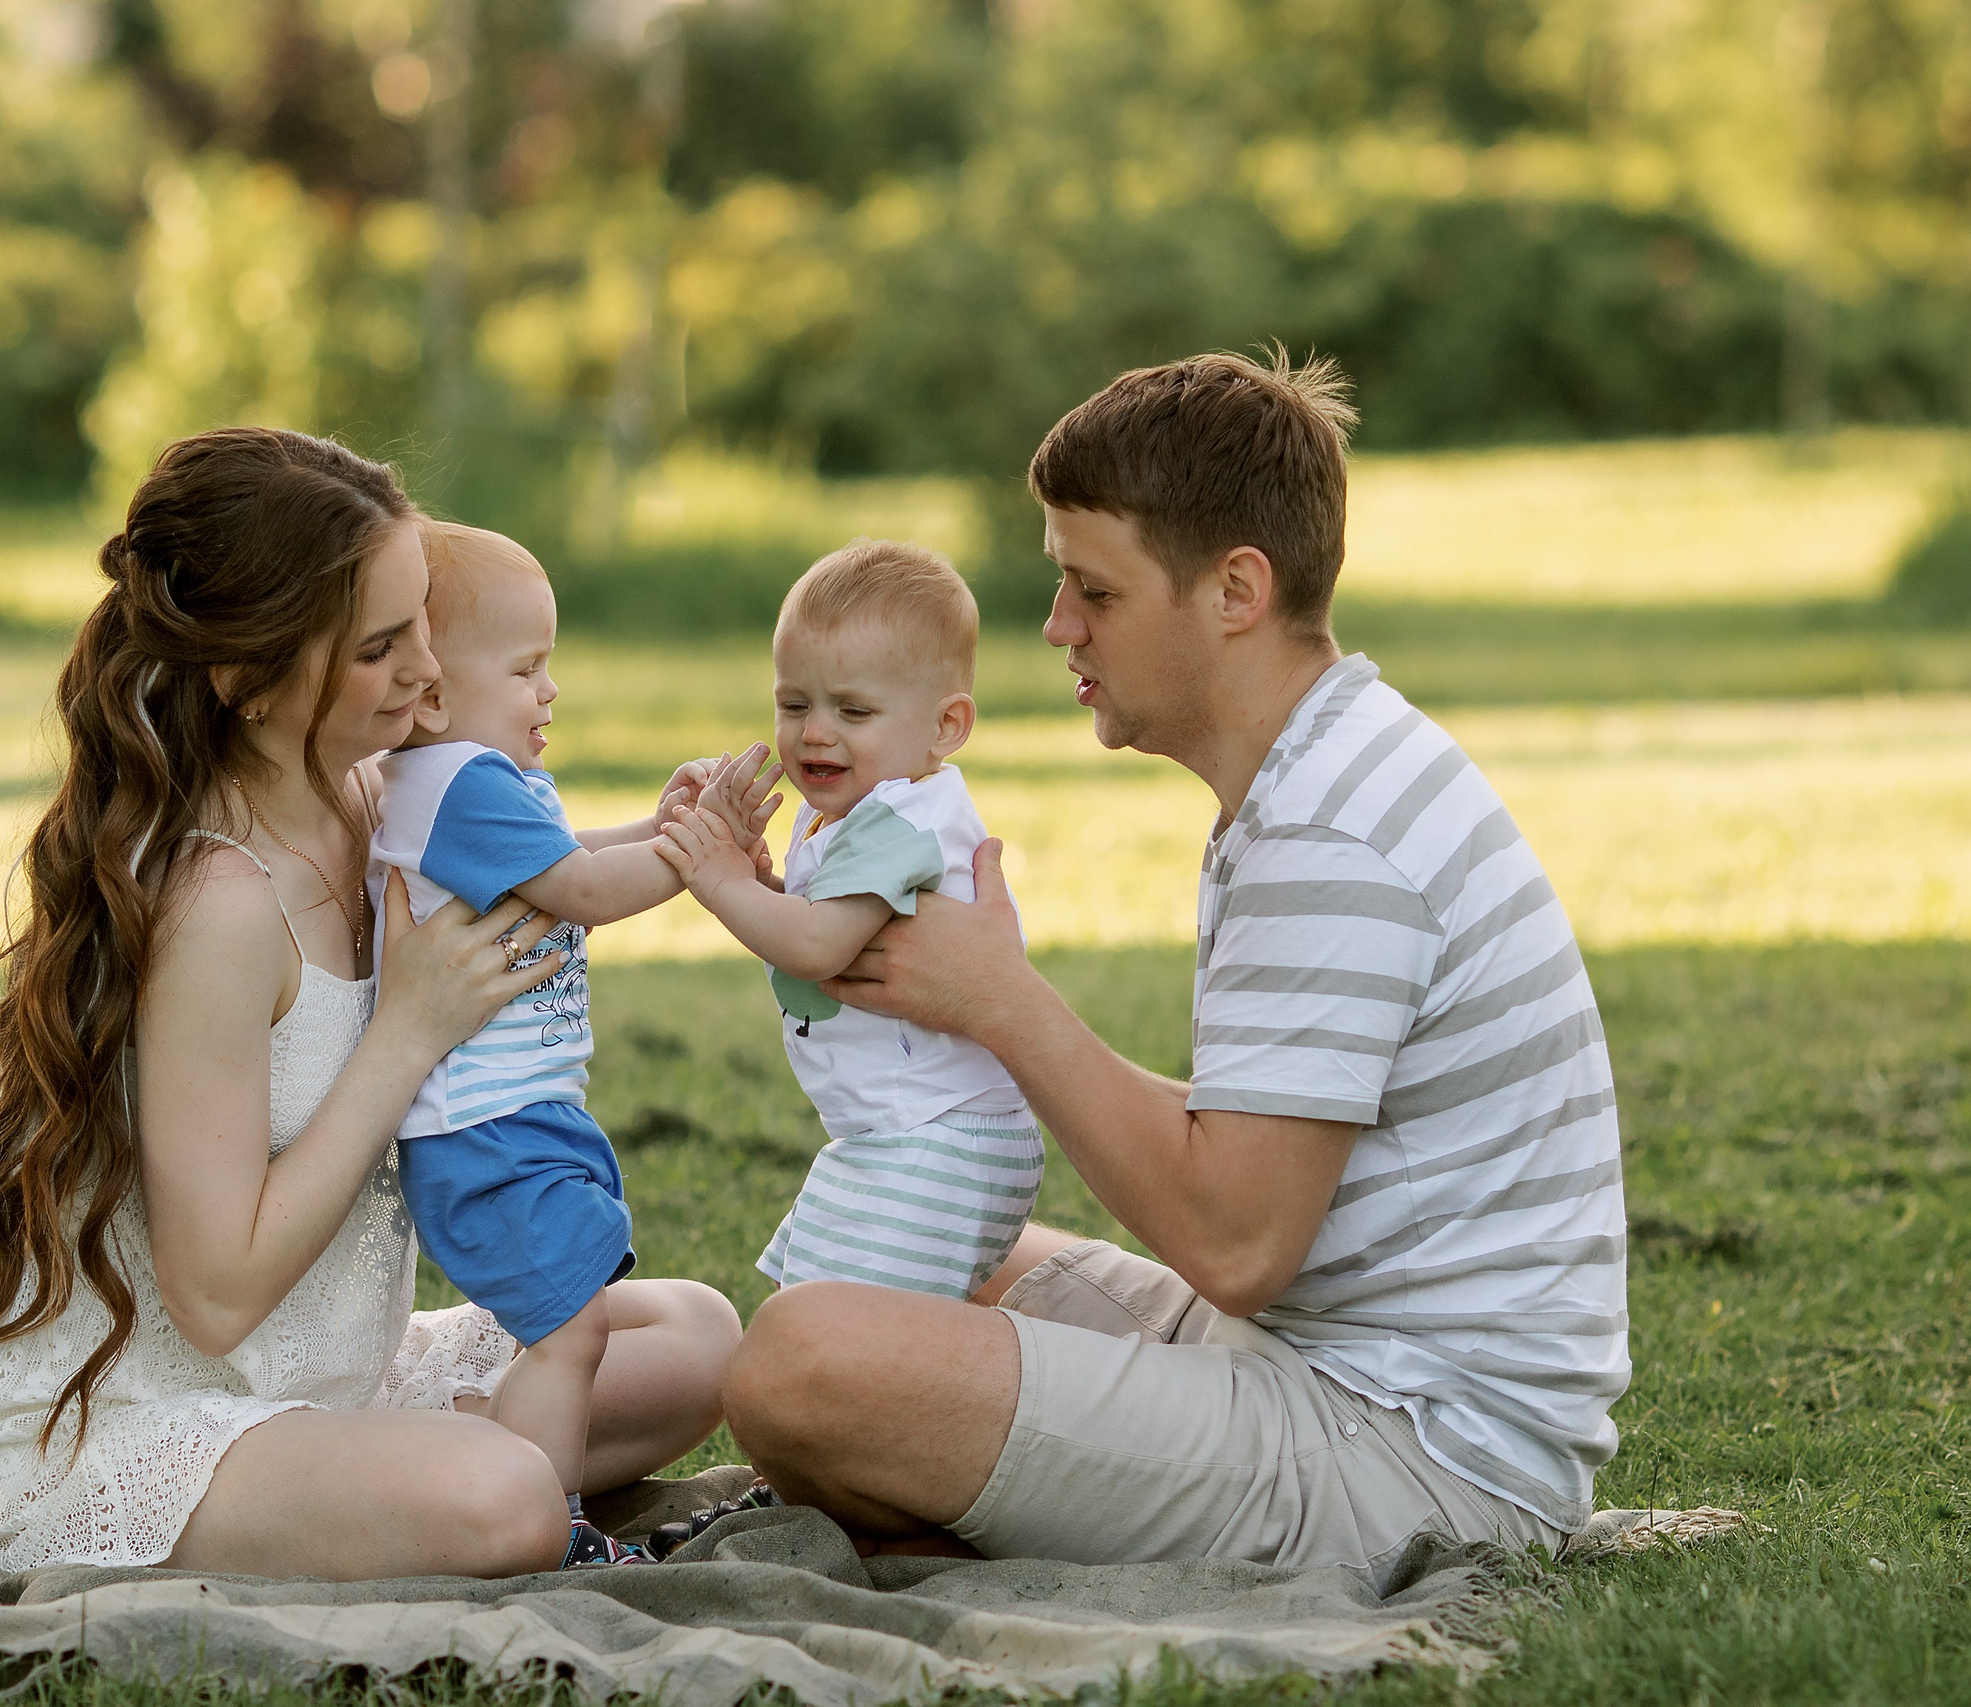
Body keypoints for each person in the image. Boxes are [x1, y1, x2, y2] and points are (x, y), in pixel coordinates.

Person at [721, 352, 1631, 1576]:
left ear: (1234, 590)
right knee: (962, 1256)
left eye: (1092, 590)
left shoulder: (1328, 833)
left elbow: (1240, 1249)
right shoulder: (1317, 770)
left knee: (803, 1360)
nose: (1056, 629)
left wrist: (1002, 1003)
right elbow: (1258, 1158)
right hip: (1324, 1366)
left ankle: (982, 1526)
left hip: (1414, 1451)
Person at [0, 428, 740, 1580]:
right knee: (509, 1496)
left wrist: (684, 839)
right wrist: (407, 1031)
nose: (430, 671)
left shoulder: (370, 794)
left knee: (697, 1340)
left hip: (323, 1371)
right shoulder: (217, 904)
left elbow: (551, 873)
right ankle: (424, 1492)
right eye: (381, 648)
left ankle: (385, 1485)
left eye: (425, 619)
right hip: (141, 1407)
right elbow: (215, 1300)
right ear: (247, 679)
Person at [369, 521, 777, 1566]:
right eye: (525, 668)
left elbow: (564, 857)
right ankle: (552, 1530)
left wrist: (661, 829)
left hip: (519, 1122)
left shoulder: (476, 779)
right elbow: (582, 893)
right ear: (432, 692)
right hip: (486, 1132)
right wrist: (696, 857)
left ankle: (486, 1454)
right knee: (570, 1335)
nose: (548, 692)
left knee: (573, 1328)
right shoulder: (454, 780)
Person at [659, 539, 1041, 1299]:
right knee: (820, 1306)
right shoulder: (852, 811)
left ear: (945, 725)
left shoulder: (901, 820)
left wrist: (718, 877)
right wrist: (761, 874)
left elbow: (815, 943)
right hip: (906, 1132)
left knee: (844, 1331)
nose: (815, 732)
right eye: (794, 703)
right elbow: (811, 914)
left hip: (933, 1136)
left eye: (853, 710)